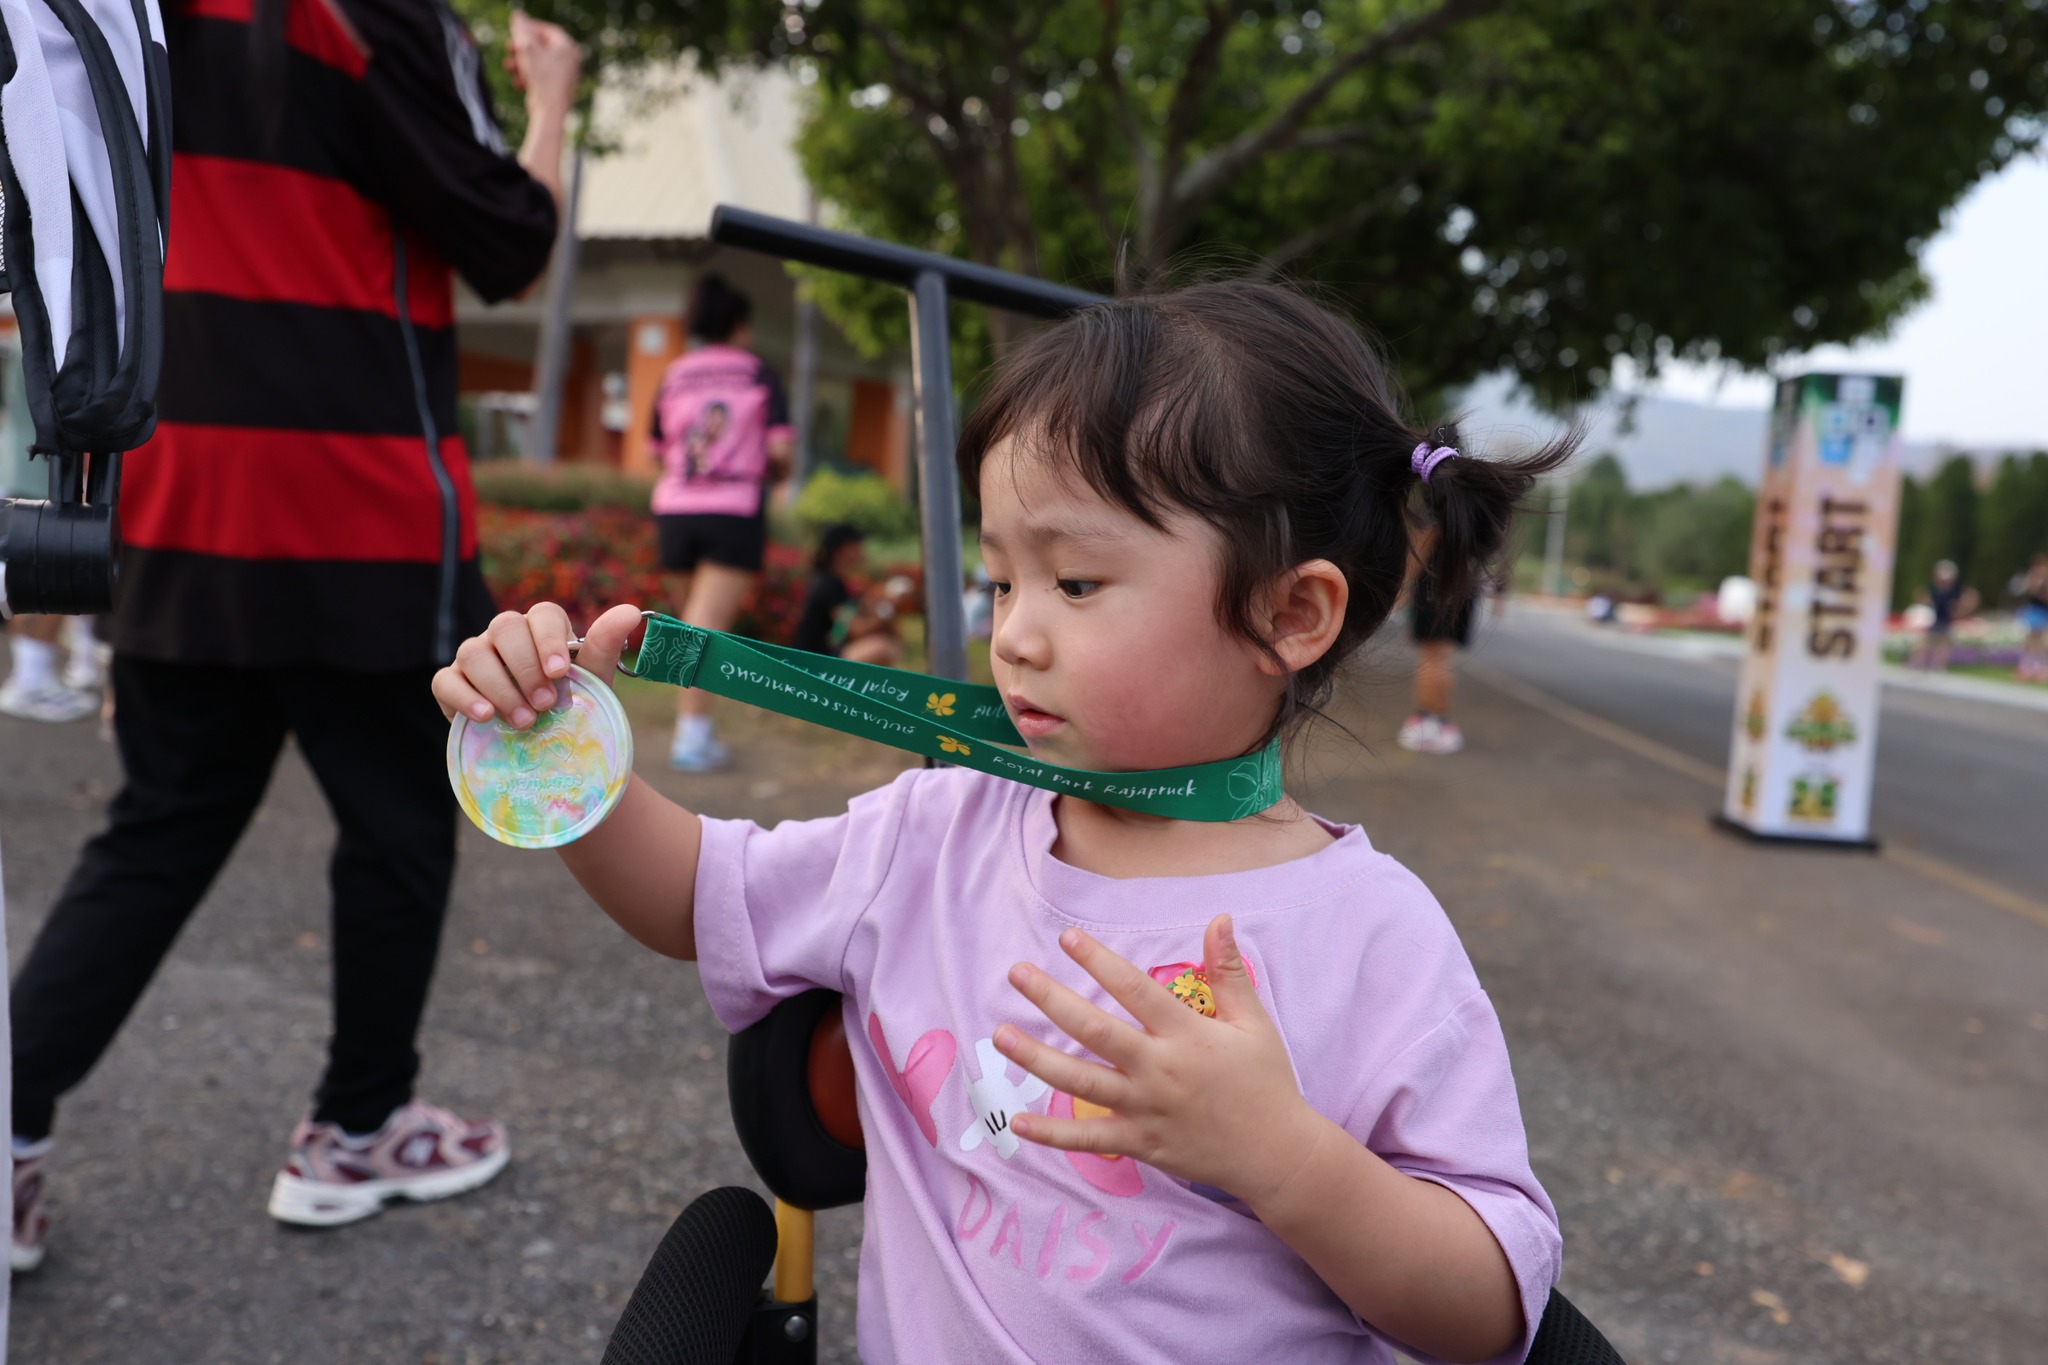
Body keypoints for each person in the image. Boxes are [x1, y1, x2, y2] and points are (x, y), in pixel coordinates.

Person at [438, 281, 1572, 1362]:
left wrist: (1284, 1159)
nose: (1015, 636)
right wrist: (554, 755)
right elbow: (695, 895)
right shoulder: (937, 834)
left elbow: (1490, 1311)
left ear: (1290, 613)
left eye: (1074, 584)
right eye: (1000, 582)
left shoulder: (1368, 933)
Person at [9, 0, 579, 1271]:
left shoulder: (127, 13)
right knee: (397, 828)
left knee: (157, 834)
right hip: (357, 505)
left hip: (177, 497)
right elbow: (510, 240)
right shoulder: (379, 18)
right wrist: (550, 101)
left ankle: (5, 1133)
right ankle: (358, 1128)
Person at [650, 273, 796, 771]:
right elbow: (781, 452)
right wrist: (773, 473)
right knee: (705, 627)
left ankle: (700, 729)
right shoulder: (757, 373)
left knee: (690, 623)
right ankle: (691, 737)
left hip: (675, 510)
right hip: (733, 509)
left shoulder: (673, 374)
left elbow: (657, 449)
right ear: (739, 325)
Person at [1397, 509, 1479, 756]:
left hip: (1436, 581)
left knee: (1432, 656)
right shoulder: (1483, 497)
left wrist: (1406, 584)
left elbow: (1425, 536)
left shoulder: (1440, 495)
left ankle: (1427, 721)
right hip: (1465, 580)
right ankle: (1439, 721)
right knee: (1442, 656)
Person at [790, 523, 903, 666]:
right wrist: (886, 611)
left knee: (886, 644)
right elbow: (855, 630)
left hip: (826, 653)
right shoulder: (828, 584)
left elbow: (840, 631)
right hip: (817, 660)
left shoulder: (831, 581)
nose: (861, 550)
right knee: (883, 648)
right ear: (841, 550)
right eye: (855, 545)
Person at [1912, 559, 1975, 671]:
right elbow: (1922, 596)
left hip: (1946, 621)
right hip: (1935, 620)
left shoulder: (1955, 591)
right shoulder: (1935, 590)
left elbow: (1970, 597)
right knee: (1926, 642)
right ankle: (1918, 663)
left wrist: (1961, 609)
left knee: (1943, 644)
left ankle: (1938, 666)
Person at [2015, 553, 2048, 683]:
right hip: (2034, 609)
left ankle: (2040, 668)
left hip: (2041, 610)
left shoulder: (2043, 579)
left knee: (2037, 641)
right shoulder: (2033, 576)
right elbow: (2029, 590)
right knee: (2030, 641)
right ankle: (2028, 668)